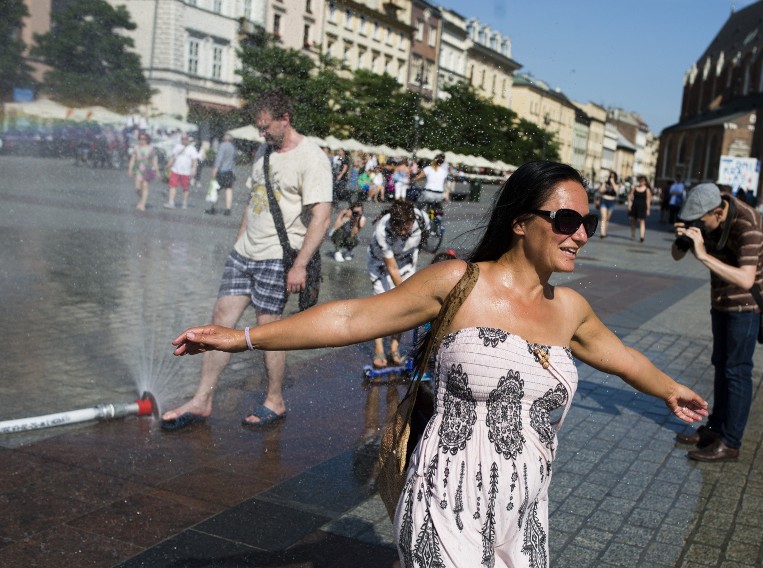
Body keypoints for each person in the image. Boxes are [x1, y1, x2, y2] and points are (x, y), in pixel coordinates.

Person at [171, 160, 708, 564]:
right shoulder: (459, 284)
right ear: (521, 222)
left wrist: (668, 388)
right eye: (567, 219)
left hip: (526, 508)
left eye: (586, 222)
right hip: (445, 495)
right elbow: (352, 319)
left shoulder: (569, 309)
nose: (582, 235)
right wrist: (241, 336)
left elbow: (624, 358)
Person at [160, 92, 332, 430]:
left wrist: (300, 264)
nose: (261, 134)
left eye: (265, 127)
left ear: (285, 118)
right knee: (219, 322)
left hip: (275, 257)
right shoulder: (264, 151)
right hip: (245, 253)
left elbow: (322, 217)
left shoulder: (311, 158)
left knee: (269, 331)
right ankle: (202, 399)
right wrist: (238, 243)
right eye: (258, 128)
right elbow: (252, 201)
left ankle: (275, 399)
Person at [672, 182, 763, 462]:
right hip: (721, 303)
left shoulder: (747, 223)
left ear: (718, 212)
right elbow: (675, 256)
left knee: (736, 371)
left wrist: (702, 255)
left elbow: (746, 278)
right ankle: (715, 430)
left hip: (745, 306)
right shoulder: (705, 215)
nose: (700, 225)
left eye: (703, 222)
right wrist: (684, 241)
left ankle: (731, 442)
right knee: (721, 366)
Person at [367, 200, 428, 368]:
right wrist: (407, 292)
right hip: (381, 263)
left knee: (402, 308)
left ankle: (394, 347)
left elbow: (425, 236)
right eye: (398, 228)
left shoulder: (421, 219)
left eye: (406, 228)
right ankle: (378, 347)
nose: (402, 232)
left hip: (406, 261)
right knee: (381, 306)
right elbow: (391, 268)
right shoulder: (382, 231)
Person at [164, 132, 201, 209]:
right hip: (175, 170)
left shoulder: (192, 149)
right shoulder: (177, 147)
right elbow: (173, 157)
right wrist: (168, 165)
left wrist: (194, 169)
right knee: (172, 186)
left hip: (186, 172)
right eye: (182, 139)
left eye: (185, 139)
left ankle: (184, 203)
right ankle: (171, 202)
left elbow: (195, 160)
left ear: (188, 139)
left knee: (185, 188)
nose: (184, 140)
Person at [127, 131, 159, 212]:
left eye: (144, 139)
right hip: (138, 169)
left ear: (147, 139)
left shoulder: (151, 149)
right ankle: (142, 200)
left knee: (145, 186)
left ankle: (143, 204)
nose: (142, 140)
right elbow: (133, 159)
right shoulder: (136, 148)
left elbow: (154, 161)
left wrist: (157, 171)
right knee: (137, 188)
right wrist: (130, 169)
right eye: (140, 139)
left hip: (148, 169)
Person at [206, 132, 237, 216]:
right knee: (228, 189)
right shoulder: (233, 147)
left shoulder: (222, 146)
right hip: (230, 171)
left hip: (222, 171)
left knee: (216, 189)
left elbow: (219, 158)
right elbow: (234, 160)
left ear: (224, 139)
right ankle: (228, 209)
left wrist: (215, 169)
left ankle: (213, 208)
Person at [628, 175, 652, 242]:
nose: (641, 182)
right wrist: (629, 205)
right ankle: (633, 235)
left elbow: (648, 200)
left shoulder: (647, 190)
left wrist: (648, 209)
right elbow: (630, 197)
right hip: (634, 206)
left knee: (642, 221)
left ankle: (642, 236)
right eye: (640, 180)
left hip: (643, 207)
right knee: (633, 221)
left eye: (642, 181)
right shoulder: (635, 188)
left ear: (645, 182)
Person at [596, 171, 619, 238]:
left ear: (615, 177)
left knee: (607, 219)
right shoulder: (606, 183)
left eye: (613, 176)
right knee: (603, 218)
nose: (611, 178)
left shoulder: (617, 184)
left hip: (611, 202)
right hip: (604, 200)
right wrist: (605, 187)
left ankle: (605, 231)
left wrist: (613, 183)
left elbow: (616, 191)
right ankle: (602, 233)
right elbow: (600, 190)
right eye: (610, 176)